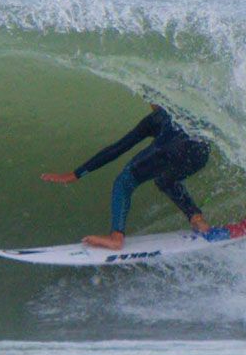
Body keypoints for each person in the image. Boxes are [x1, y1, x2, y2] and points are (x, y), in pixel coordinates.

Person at [41, 105, 210, 250]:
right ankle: (197, 220)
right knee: (165, 180)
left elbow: (118, 148)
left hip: (173, 148)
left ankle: (116, 238)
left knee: (124, 182)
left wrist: (75, 174)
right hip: (201, 154)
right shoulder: (187, 112)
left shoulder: (157, 117)